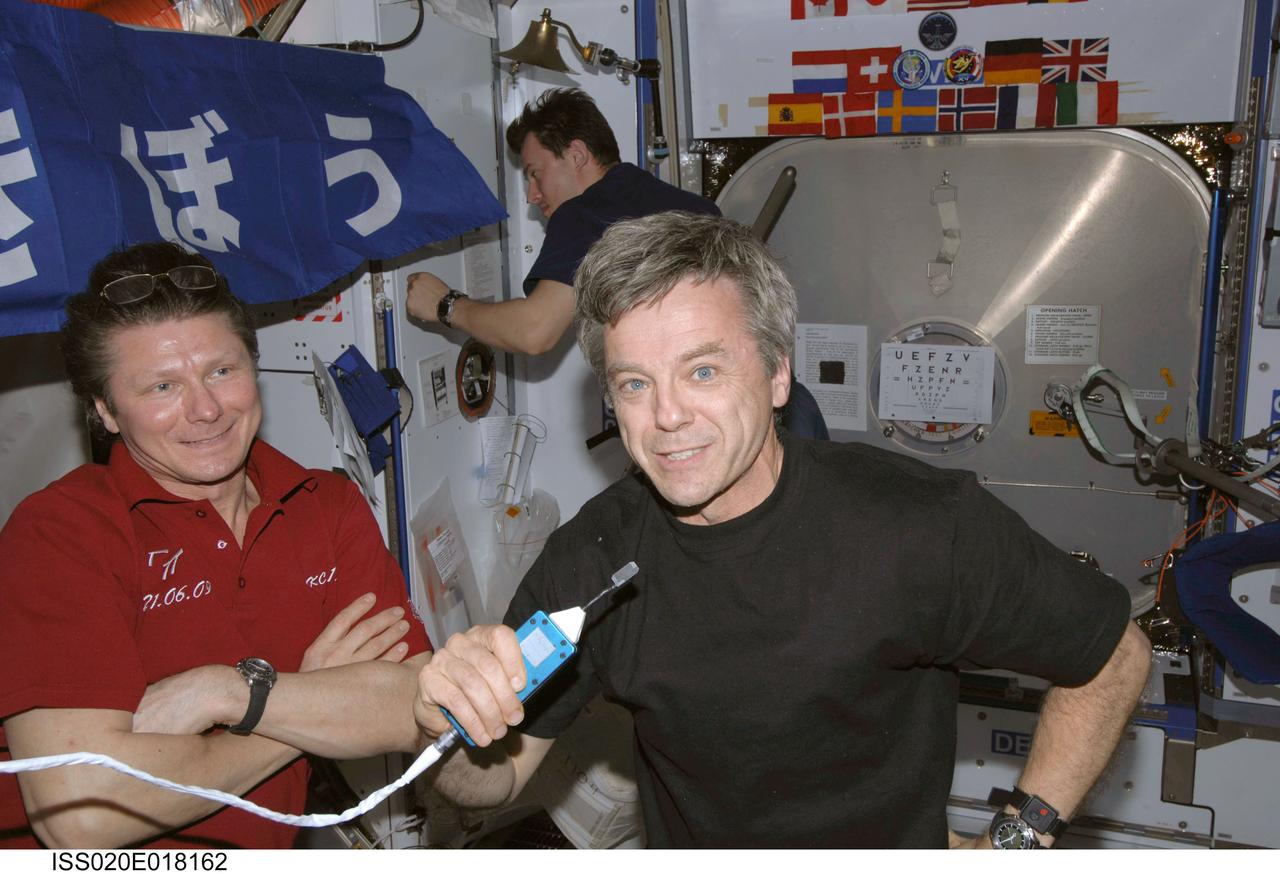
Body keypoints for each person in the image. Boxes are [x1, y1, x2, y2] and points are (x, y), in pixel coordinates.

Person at [411, 213, 1152, 848]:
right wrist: (441, 723)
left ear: (775, 376)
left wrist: (1014, 841)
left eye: (702, 372)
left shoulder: (916, 526)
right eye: (635, 384)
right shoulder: (596, 557)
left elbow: (1112, 655)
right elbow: (497, 775)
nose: (666, 416)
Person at [0, 242, 433, 849]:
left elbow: (417, 707)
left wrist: (225, 691)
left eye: (221, 371)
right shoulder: (61, 533)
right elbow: (83, 816)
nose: (205, 409)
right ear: (106, 411)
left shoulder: (326, 506)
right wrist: (291, 706)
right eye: (161, 387)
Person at [405, 86, 827, 439]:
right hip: (782, 409)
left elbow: (535, 331)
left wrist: (446, 305)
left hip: (714, 425)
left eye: (535, 173)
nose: (533, 194)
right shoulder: (689, 204)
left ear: (577, 154)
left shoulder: (585, 213)